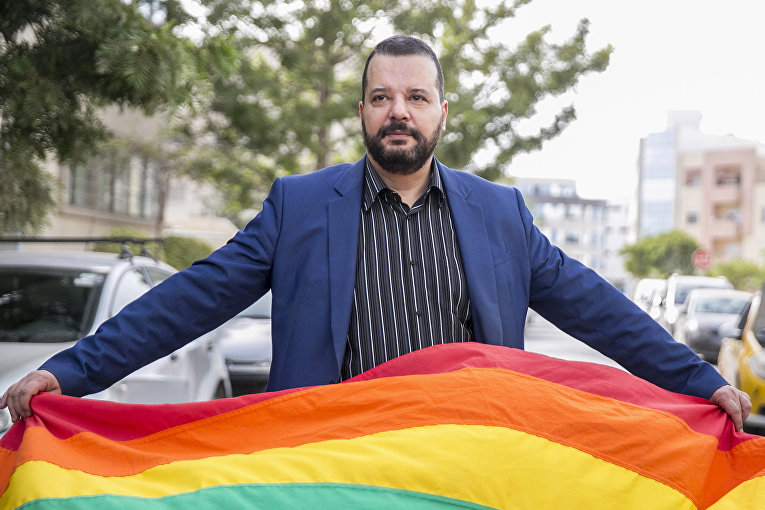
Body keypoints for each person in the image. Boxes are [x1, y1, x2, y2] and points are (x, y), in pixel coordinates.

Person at [1, 35, 751, 431]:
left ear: (441, 113)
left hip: (465, 458)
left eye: (416, 96)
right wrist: (70, 372)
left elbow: (599, 310)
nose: (399, 110)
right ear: (361, 111)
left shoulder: (500, 214)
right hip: (329, 461)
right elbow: (191, 298)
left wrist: (701, 381)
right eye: (382, 96)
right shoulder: (299, 207)